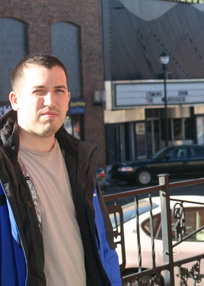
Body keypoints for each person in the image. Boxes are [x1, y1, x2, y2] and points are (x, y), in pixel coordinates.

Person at [0, 54, 121, 285]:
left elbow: (104, 245)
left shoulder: (80, 161)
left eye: (59, 90)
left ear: (67, 99)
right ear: (15, 100)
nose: (50, 101)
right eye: (38, 91)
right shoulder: (3, 167)